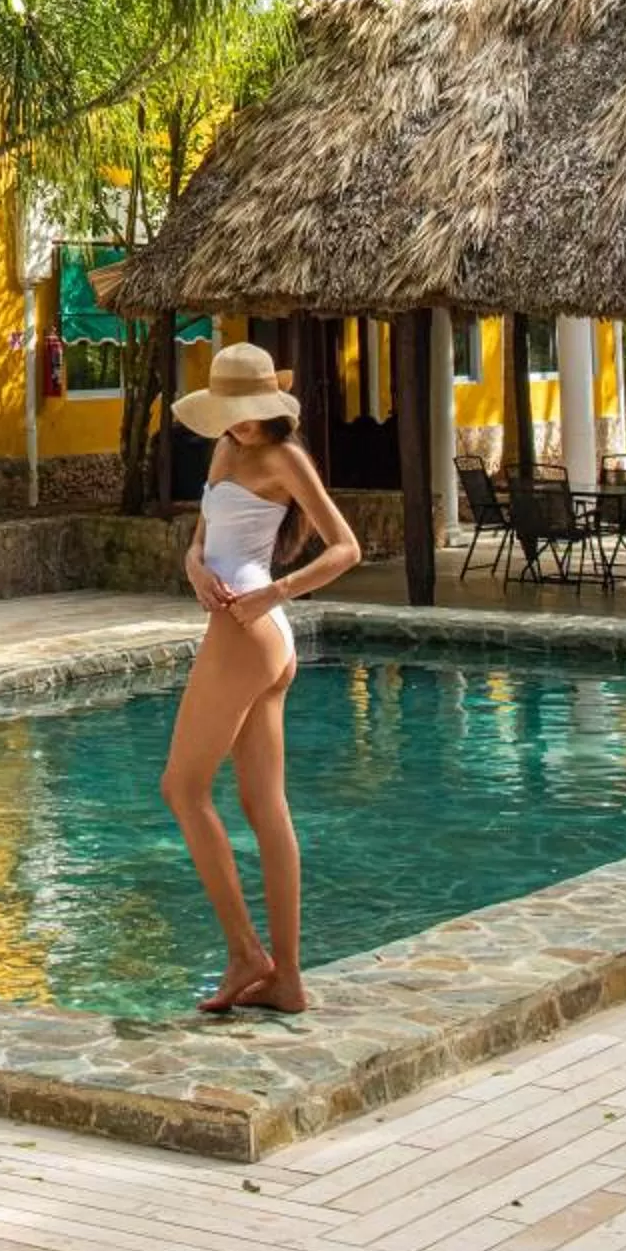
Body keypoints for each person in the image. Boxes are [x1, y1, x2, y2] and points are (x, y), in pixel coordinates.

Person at [160, 339, 361, 1016]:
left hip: (251, 628)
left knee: (182, 789)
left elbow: (346, 547)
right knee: (260, 807)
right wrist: (192, 565)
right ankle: (288, 980)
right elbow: (205, 537)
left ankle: (249, 951)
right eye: (230, 411)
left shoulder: (284, 459)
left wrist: (276, 595)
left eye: (248, 411)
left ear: (271, 408)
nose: (240, 423)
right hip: (243, 626)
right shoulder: (224, 451)